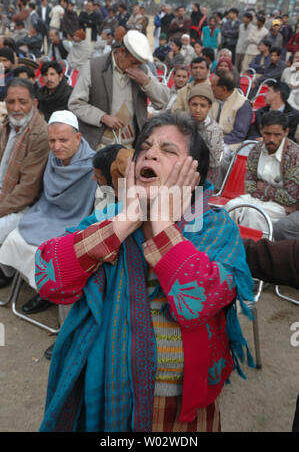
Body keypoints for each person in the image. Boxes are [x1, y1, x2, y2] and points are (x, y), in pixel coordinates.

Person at [36, 111, 254, 432]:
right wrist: (128, 218)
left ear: (193, 173)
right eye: (145, 148)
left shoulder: (214, 227)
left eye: (168, 150)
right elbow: (50, 279)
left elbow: (196, 304)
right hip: (111, 395)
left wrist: (162, 222)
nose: (151, 153)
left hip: (180, 409)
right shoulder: (111, 218)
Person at [0, 109, 97, 314]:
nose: (56, 146)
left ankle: (46, 293)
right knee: (14, 237)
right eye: (52, 141)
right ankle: (40, 288)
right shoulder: (52, 159)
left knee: (49, 252)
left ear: (78, 138)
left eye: (63, 140)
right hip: (44, 213)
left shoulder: (94, 166)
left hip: (74, 221)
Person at [68, 30, 169, 150]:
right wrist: (102, 117)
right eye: (133, 63)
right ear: (121, 52)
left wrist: (147, 82)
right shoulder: (93, 67)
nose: (136, 67)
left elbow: (163, 101)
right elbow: (75, 103)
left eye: (139, 64)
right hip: (98, 146)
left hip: (131, 147)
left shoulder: (143, 70)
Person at [0, 78, 49, 287]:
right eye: (11, 102)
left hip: (24, 205)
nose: (16, 108)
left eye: (23, 101)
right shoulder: (7, 125)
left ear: (34, 104)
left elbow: (27, 191)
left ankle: (6, 272)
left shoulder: (40, 134)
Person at [226, 110, 299, 232]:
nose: (271, 139)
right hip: (256, 198)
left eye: (277, 135)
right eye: (267, 133)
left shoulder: (294, 155)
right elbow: (249, 184)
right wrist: (265, 192)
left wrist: (262, 187)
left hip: (282, 207)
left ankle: (253, 249)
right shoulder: (257, 149)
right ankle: (225, 245)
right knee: (231, 206)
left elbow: (289, 197)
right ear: (261, 130)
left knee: (252, 215)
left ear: (286, 132)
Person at [187, 83, 224, 187]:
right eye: (194, 104)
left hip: (206, 177)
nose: (198, 110)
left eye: (202, 105)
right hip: (183, 172)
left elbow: (213, 164)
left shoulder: (214, 130)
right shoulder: (183, 124)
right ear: (188, 104)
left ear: (209, 107)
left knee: (197, 202)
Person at [210, 70, 252, 156]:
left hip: (229, 143)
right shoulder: (212, 98)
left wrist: (216, 140)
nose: (211, 88)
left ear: (224, 89)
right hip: (209, 137)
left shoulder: (243, 104)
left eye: (213, 86)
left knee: (217, 153)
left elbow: (239, 134)